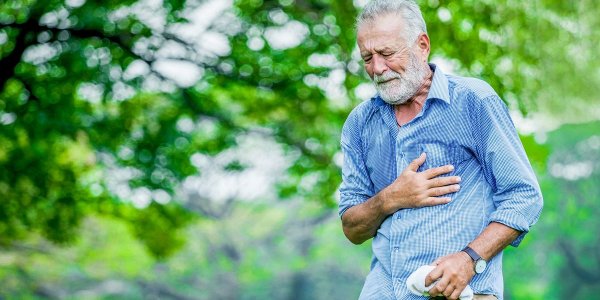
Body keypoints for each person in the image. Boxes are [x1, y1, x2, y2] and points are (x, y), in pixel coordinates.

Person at [338, 1, 543, 299]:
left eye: (387, 53)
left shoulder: (474, 100)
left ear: (422, 45)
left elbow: (524, 197)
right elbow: (352, 228)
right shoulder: (359, 123)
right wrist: (390, 198)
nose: (377, 68)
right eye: (367, 57)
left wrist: (469, 259)